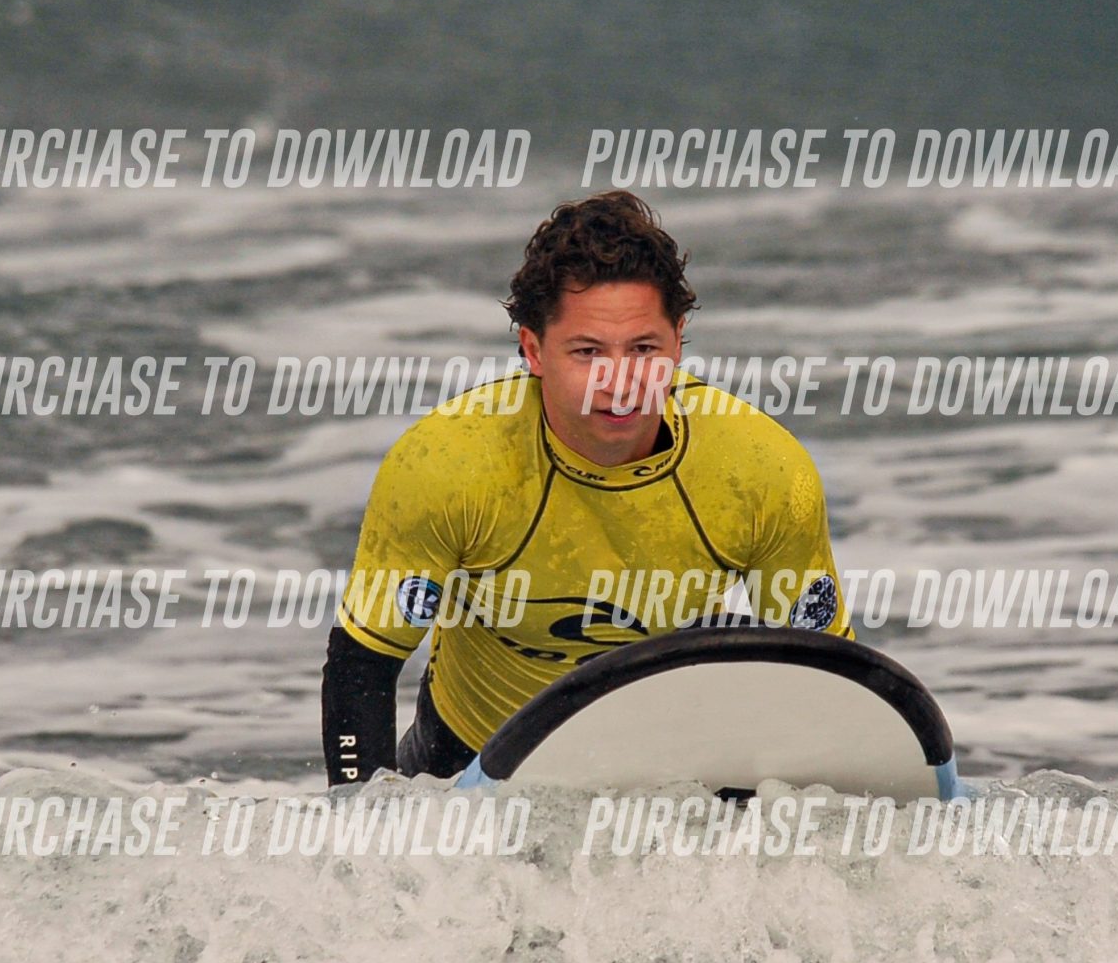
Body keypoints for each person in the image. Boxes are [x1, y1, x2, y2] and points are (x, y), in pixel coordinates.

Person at [322, 190, 850, 784]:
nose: (619, 383)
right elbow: (363, 662)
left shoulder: (759, 470)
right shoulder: (451, 463)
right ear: (533, 350)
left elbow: (828, 681)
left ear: (678, 340)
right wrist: (362, 828)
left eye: (644, 349)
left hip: (674, 771)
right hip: (471, 760)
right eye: (588, 351)